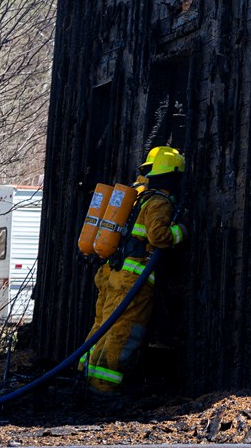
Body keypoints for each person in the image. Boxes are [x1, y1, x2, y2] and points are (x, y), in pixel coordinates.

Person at [80, 146, 187, 394]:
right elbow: (160, 237)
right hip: (134, 277)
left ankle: (84, 374)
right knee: (123, 330)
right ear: (172, 176)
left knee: (102, 325)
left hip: (113, 273)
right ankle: (103, 385)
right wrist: (183, 229)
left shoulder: (138, 199)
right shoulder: (159, 202)